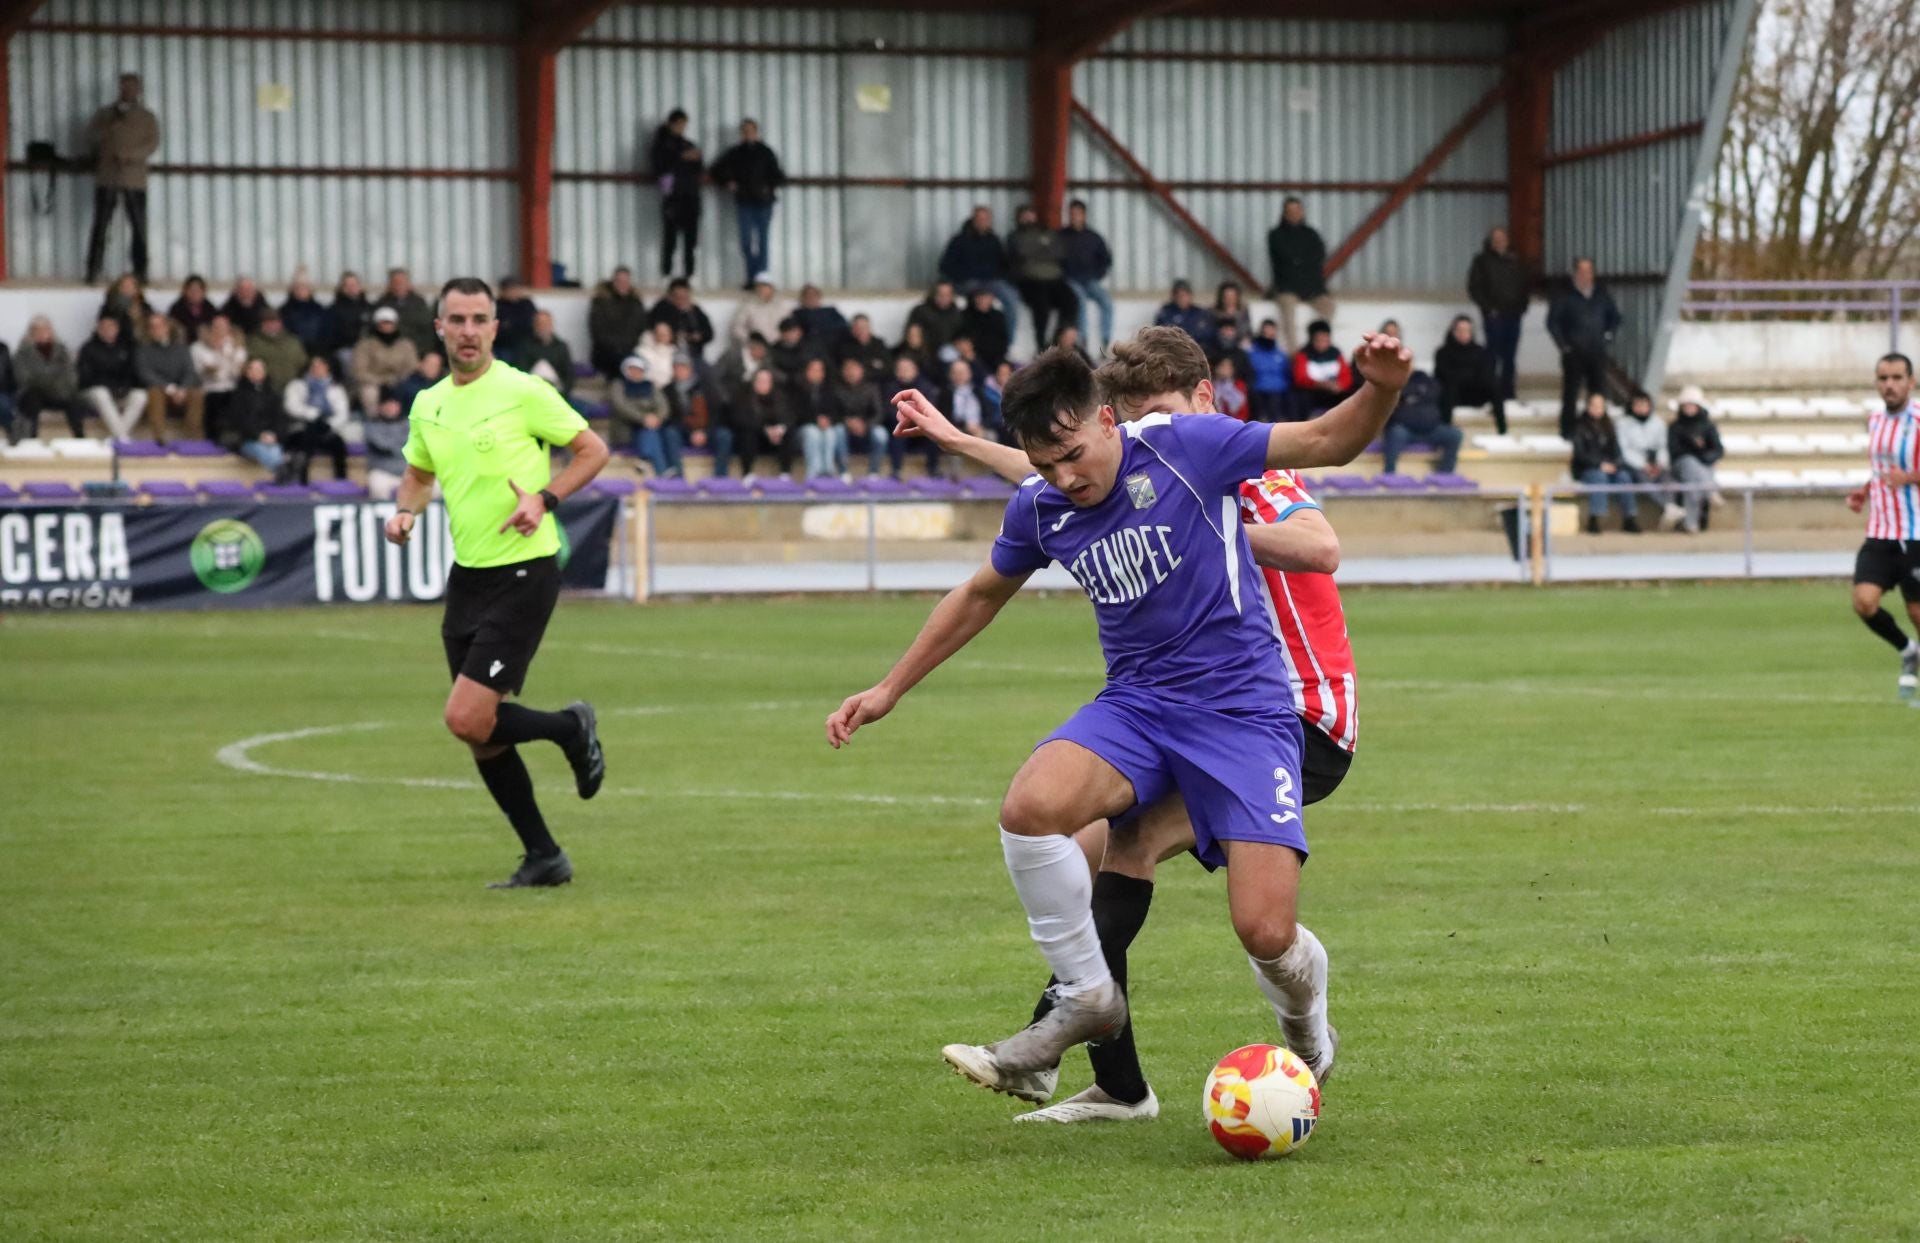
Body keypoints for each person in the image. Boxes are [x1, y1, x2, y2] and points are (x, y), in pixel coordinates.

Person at [829, 334, 1408, 1104]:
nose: (1065, 479)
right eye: (1047, 466)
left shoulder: (1189, 449)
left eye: (1073, 455)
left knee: (1264, 930)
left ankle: (1303, 1025)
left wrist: (1382, 388)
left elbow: (1328, 441)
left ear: (1110, 422)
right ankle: (1086, 999)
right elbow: (978, 594)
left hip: (1245, 709)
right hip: (1138, 705)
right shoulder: (1046, 500)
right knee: (1033, 808)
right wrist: (889, 687)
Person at [382, 276, 611, 889]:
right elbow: (418, 475)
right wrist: (405, 512)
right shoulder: (428, 404)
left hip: (525, 570)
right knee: (482, 734)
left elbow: (593, 450)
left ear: (494, 328)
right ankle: (544, 856)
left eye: (478, 319)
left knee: (465, 716)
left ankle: (571, 727)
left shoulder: (523, 391)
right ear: (439, 328)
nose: (468, 331)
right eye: (456, 320)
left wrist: (544, 498)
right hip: (469, 576)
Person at [1846, 353, 1920, 697]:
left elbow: (1903, 474)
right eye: (1883, 378)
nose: (1889, 385)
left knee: (1917, 613)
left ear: (1911, 382)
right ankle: (1908, 650)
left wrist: (1910, 477)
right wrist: (1864, 491)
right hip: (1881, 532)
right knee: (1864, 603)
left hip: (1916, 533)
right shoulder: (1874, 421)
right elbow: (1881, 470)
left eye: (1897, 378)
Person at [83, 73, 159, 284]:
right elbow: (89, 137)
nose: (128, 91)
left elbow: (152, 143)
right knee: (100, 224)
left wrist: (131, 156)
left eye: (132, 87)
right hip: (108, 176)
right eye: (124, 86)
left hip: (134, 177)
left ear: (139, 90)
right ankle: (93, 269)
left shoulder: (147, 117)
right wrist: (106, 135)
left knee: (138, 226)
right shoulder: (105, 114)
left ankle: (141, 271)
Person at [1548, 257, 1621, 439]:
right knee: (1571, 394)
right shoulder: (1564, 294)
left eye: (1588, 271)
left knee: (1598, 393)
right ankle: (1568, 431)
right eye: (1581, 271)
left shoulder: (1601, 294)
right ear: (1575, 273)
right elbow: (1553, 322)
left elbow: (1615, 317)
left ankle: (1598, 430)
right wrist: (1564, 345)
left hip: (1597, 352)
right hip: (1574, 353)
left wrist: (1608, 336)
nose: (1585, 275)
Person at [708, 119, 785, 283]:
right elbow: (716, 170)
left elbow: (778, 175)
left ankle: (761, 276)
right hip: (744, 201)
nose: (748, 134)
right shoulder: (736, 153)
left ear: (756, 132)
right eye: (745, 131)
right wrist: (728, 182)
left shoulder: (765, 152)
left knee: (762, 240)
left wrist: (767, 187)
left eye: (751, 131)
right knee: (746, 241)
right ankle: (752, 276)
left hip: (763, 201)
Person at [1467, 226, 1528, 422]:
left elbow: (1525, 285)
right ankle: (1491, 393)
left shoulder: (1516, 260)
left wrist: (1522, 307)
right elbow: (1474, 287)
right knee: (1492, 356)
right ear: (1490, 241)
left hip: (1513, 315)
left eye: (1502, 237)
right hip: (1494, 317)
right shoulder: (1481, 261)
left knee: (1510, 357)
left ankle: (1508, 393)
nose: (1499, 241)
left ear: (1507, 240)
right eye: (1496, 238)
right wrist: (1488, 309)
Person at [938, 206, 1021, 342]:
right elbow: (945, 266)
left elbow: (1005, 264)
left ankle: (1008, 342)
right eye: (979, 219)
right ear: (973, 220)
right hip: (967, 282)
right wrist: (964, 276)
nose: (982, 222)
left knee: (1011, 297)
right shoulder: (959, 240)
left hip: (992, 282)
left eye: (985, 219)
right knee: (979, 299)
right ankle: (969, 342)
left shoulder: (994, 240)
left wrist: (1001, 277)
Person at [1007, 205, 1077, 355]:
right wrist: (1043, 248)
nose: (1028, 218)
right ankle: (1040, 344)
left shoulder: (1049, 233)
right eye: (1025, 215)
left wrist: (1035, 251)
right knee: (1041, 305)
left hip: (1054, 279)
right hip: (1030, 280)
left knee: (1071, 299)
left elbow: (1060, 253)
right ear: (1018, 218)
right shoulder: (1015, 236)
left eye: (1030, 214)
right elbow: (1021, 251)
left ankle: (1059, 340)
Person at [1267, 196, 1334, 352]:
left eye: (1297, 210)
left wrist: (1299, 261)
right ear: (1284, 213)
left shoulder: (1311, 234)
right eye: (1290, 211)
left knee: (1329, 307)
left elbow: (1318, 256)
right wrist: (1301, 261)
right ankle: (1294, 353)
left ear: (1302, 212)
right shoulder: (1276, 234)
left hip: (1311, 287)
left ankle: (1317, 345)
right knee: (1288, 314)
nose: (1294, 214)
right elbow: (1284, 259)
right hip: (1287, 287)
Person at [1615, 391, 1685, 529]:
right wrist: (1643, 465)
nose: (1641, 408)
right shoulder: (1623, 424)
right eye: (1638, 405)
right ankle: (1669, 507)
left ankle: (1670, 509)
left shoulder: (1658, 423)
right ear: (1632, 406)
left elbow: (1662, 446)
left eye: (1644, 405)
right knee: (1644, 480)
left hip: (1655, 462)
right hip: (1635, 464)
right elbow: (1625, 450)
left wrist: (1659, 464)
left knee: (1668, 479)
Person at [650, 109, 704, 279]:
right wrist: (681, 158)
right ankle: (666, 272)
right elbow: (659, 166)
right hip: (673, 197)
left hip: (691, 195)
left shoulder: (688, 144)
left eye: (684, 125)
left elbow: (699, 167)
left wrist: (695, 158)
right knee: (670, 237)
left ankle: (689, 273)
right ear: (671, 124)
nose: (681, 128)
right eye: (679, 124)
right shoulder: (661, 145)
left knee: (690, 239)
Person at [13, 318, 85, 442]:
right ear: (31, 333)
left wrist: (45, 378)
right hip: (35, 393)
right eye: (37, 331)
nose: (42, 334)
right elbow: (23, 377)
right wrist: (51, 378)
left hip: (59, 393)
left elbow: (70, 376)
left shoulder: (62, 351)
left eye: (45, 330)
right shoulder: (22, 353)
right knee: (32, 398)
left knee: (74, 401)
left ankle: (80, 439)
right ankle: (31, 440)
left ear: (51, 332)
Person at [77, 313, 148, 439]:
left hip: (121, 391)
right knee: (101, 393)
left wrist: (124, 387)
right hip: (94, 393)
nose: (107, 330)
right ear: (98, 329)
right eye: (103, 327)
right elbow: (86, 377)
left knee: (140, 395)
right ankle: (122, 438)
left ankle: (116, 437)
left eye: (111, 326)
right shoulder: (88, 348)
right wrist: (109, 386)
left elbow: (133, 373)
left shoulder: (127, 348)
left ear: (117, 329)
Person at [281, 354, 351, 482]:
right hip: (303, 427)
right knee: (306, 439)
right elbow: (291, 406)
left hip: (327, 429)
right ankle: (302, 480)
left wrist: (329, 424)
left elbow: (343, 413)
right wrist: (311, 414)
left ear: (328, 368)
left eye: (321, 366)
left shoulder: (336, 388)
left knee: (339, 444)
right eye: (314, 366)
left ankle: (341, 480)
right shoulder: (297, 385)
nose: (317, 368)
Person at [135, 310, 203, 441]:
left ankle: (193, 439)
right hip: (160, 390)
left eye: (159, 326)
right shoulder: (143, 350)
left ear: (167, 328)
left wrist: (182, 389)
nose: (156, 330)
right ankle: (159, 439)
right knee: (154, 392)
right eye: (152, 327)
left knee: (196, 394)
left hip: (181, 391)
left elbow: (190, 372)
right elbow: (145, 373)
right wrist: (169, 388)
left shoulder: (181, 348)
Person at [1571, 391, 1631, 534]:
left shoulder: (1609, 427)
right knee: (1598, 477)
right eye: (1594, 405)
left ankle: (1629, 517)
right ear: (1588, 407)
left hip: (1609, 467)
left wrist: (1615, 464)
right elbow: (1580, 455)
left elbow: (1617, 451)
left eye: (1600, 406)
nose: (1597, 409)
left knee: (1624, 477)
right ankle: (1595, 519)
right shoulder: (1579, 427)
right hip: (1587, 469)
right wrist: (1599, 465)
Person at [1380, 370, 1461, 475]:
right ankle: (1389, 473)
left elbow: (1445, 409)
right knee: (1396, 432)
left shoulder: (1434, 386)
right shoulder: (1397, 386)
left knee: (1455, 434)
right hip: (1406, 431)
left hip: (1432, 431)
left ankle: (1446, 473)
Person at [1668, 384, 1724, 535]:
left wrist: (1702, 456)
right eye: (1686, 405)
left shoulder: (1708, 426)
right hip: (1681, 465)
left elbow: (1717, 450)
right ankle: (1710, 491)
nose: (1689, 408)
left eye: (1692, 405)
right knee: (1690, 464)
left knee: (1693, 482)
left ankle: (1691, 522)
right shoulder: (1675, 427)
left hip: (1703, 466)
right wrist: (1695, 448)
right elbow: (1675, 451)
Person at [1059, 199, 1113, 353]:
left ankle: (1106, 341)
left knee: (1106, 301)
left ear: (1084, 215)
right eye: (1072, 214)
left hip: (1090, 280)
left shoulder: (1093, 237)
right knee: (1080, 301)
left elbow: (1106, 259)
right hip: (1070, 280)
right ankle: (1082, 341)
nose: (1074, 217)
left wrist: (1097, 274)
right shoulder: (1061, 236)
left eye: (1077, 213)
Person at [1433, 315, 1503, 433]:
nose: (1463, 334)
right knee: (1449, 388)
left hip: (1475, 394)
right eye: (1460, 330)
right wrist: (1467, 375)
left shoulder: (1480, 351)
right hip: (1453, 395)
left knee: (1494, 384)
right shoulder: (1443, 352)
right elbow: (1445, 375)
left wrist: (1467, 376)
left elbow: (1484, 373)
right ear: (1453, 331)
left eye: (1467, 330)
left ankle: (1502, 429)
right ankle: (1446, 430)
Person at [611, 355, 677, 477]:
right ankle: (662, 470)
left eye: (639, 370)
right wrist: (643, 418)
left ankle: (644, 459)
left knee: (650, 432)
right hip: (627, 428)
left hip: (651, 426)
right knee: (650, 433)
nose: (636, 372)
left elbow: (663, 406)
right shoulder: (619, 385)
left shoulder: (650, 386)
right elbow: (621, 406)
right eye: (632, 369)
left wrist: (657, 418)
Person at [664, 354, 729, 473]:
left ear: (690, 369)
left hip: (707, 430)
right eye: (677, 368)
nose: (680, 371)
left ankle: (720, 476)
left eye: (683, 367)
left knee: (724, 435)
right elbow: (671, 418)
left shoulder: (705, 387)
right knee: (670, 433)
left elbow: (715, 412)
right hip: (684, 431)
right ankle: (678, 477)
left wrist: (705, 433)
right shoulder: (668, 390)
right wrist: (691, 433)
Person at [352, 307, 420, 418]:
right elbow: (359, 370)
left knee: (413, 389)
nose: (387, 326)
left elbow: (412, 366)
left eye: (390, 323)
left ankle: (407, 417)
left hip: (400, 380)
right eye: (384, 323)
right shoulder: (365, 345)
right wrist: (381, 380)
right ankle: (374, 418)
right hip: (374, 381)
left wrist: (399, 378)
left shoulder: (405, 344)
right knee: (369, 392)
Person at [730, 365, 795, 480]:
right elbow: (741, 420)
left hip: (775, 438)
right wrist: (765, 430)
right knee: (747, 434)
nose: (763, 384)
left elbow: (789, 417)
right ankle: (747, 474)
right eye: (760, 381)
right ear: (754, 382)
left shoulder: (780, 396)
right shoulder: (744, 397)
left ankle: (785, 473)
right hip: (755, 437)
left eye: (766, 381)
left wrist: (780, 429)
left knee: (789, 433)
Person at [885, 353, 942, 479]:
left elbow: (931, 409)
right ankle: (896, 470)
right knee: (897, 432)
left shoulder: (926, 387)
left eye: (906, 369)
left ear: (915, 370)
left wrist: (916, 419)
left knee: (934, 433)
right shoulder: (891, 388)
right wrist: (905, 419)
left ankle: (933, 469)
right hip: (901, 424)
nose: (903, 372)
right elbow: (888, 410)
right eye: (900, 369)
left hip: (921, 426)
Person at [225, 357, 285, 475]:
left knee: (274, 449)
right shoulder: (238, 395)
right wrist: (259, 435)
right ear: (247, 372)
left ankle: (282, 472)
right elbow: (239, 421)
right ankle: (282, 471)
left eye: (260, 369)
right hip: (248, 439)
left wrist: (275, 435)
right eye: (253, 369)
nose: (257, 372)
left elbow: (280, 418)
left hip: (272, 438)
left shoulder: (273, 394)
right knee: (263, 449)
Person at [191, 314, 246, 443]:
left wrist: (228, 355)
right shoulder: (198, 347)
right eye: (217, 327)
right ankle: (211, 439)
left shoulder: (237, 347)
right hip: (208, 388)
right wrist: (216, 353)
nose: (220, 331)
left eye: (224, 327)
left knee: (235, 399)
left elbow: (237, 373)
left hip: (231, 387)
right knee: (215, 400)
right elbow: (199, 372)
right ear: (211, 328)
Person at [832, 356, 889, 476]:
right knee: (837, 431)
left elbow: (879, 413)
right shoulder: (836, 389)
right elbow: (832, 413)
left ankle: (873, 473)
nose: (851, 372)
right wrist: (847, 422)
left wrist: (865, 425)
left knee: (881, 434)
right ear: (842, 372)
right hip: (844, 427)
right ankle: (843, 472)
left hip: (867, 427)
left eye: (854, 369)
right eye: (848, 369)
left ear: (861, 370)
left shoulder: (872, 388)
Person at [587, 267, 648, 378]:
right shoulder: (600, 301)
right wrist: (616, 347)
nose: (622, 284)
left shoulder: (636, 302)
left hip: (630, 350)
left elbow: (640, 327)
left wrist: (627, 346)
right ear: (613, 282)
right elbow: (597, 330)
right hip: (605, 352)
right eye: (619, 281)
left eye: (625, 281)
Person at [792, 356, 845, 479]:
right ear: (806, 371)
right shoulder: (797, 389)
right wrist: (815, 420)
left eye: (820, 370)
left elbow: (838, 412)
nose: (817, 373)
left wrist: (828, 420)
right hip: (802, 431)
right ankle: (813, 473)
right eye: (813, 370)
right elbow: (795, 414)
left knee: (830, 433)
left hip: (825, 428)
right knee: (813, 432)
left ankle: (827, 470)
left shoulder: (829, 390)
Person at [1289, 320, 1351, 422]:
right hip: (1311, 392)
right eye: (1319, 340)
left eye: (1325, 340)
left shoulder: (1336, 353)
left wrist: (1339, 385)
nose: (1322, 344)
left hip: (1333, 392)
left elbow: (1346, 376)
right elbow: (1300, 378)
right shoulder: (1303, 354)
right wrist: (1319, 384)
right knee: (1299, 398)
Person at [647, 277, 716, 361]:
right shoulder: (661, 309)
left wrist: (697, 336)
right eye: (678, 297)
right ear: (670, 296)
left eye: (685, 296)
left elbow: (709, 334)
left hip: (693, 354)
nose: (682, 300)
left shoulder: (695, 310)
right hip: (668, 355)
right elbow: (653, 330)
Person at [363, 387, 411, 501]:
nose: (391, 408)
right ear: (380, 407)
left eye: (394, 404)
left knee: (434, 486)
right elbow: (382, 446)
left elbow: (413, 443)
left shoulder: (408, 424)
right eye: (387, 404)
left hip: (408, 472)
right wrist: (400, 445)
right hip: (383, 472)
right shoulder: (371, 425)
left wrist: (396, 446)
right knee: (378, 485)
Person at [324, 271, 374, 381]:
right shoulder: (333, 310)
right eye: (347, 285)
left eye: (354, 284)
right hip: (345, 349)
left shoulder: (369, 308)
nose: (351, 288)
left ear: (360, 286)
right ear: (342, 288)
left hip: (368, 348)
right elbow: (330, 335)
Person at [378, 268, 437, 358]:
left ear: (408, 283)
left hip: (417, 352)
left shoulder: (419, 303)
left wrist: (425, 352)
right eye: (396, 282)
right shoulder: (382, 303)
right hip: (388, 353)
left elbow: (428, 330)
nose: (399, 285)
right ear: (390, 284)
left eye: (402, 282)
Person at [518, 311, 575, 398]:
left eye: (546, 324)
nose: (543, 327)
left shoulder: (561, 347)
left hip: (557, 392)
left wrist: (562, 394)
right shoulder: (525, 347)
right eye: (539, 324)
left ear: (551, 325)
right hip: (532, 392)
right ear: (534, 326)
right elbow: (521, 372)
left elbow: (569, 375)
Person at [1246, 319, 1291, 424]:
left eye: (1272, 332)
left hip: (1279, 391)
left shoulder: (1280, 354)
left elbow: (1287, 374)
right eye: (1266, 332)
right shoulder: (1251, 352)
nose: (1269, 335)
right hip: (1258, 390)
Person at [960, 285, 1011, 374]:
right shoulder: (965, 316)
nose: (983, 300)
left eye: (986, 297)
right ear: (974, 299)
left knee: (1005, 369)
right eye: (980, 297)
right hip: (974, 358)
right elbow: (962, 339)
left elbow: (1004, 340)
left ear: (992, 298)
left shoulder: (998, 316)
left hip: (995, 358)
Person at [729, 274, 789, 347]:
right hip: (755, 347)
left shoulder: (781, 306)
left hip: (779, 347)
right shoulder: (747, 306)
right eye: (758, 286)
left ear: (772, 288)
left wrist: (784, 338)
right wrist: (751, 340)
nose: (761, 289)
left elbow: (789, 326)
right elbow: (737, 327)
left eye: (764, 286)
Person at [908, 281, 965, 356]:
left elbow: (961, 336)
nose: (944, 298)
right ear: (933, 295)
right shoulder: (920, 311)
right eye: (940, 295)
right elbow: (913, 334)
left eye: (948, 295)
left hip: (949, 352)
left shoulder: (957, 313)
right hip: (923, 352)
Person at [792, 284, 849, 354]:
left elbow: (843, 326)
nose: (811, 298)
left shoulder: (831, 311)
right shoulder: (798, 314)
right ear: (803, 298)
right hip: (809, 350)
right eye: (808, 296)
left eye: (814, 295)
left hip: (833, 347)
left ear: (819, 297)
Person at [280, 275, 329, 357]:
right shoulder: (284, 310)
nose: (301, 290)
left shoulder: (319, 310)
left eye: (304, 287)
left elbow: (326, 332)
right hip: (293, 350)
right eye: (298, 288)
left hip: (317, 349)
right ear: (292, 290)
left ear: (310, 290)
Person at [493, 278, 537, 364]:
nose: (514, 292)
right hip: (504, 345)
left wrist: (511, 324)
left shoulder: (527, 304)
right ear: (503, 291)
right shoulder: (498, 305)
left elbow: (532, 323)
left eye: (516, 288)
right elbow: (499, 329)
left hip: (527, 343)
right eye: (511, 289)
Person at [101, 273, 154, 342]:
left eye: (131, 285)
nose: (128, 288)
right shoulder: (110, 308)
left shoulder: (145, 307)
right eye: (124, 286)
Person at [837, 314, 891, 381]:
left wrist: (863, 369)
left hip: (878, 381)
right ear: (852, 330)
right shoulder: (845, 346)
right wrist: (871, 364)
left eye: (864, 327)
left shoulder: (879, 344)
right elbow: (848, 369)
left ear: (869, 328)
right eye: (858, 328)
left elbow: (887, 367)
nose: (861, 330)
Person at [168, 275, 217, 341]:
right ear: (185, 291)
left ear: (204, 292)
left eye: (198, 290)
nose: (194, 293)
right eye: (191, 290)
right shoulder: (176, 309)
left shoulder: (211, 309)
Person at [636, 320, 679, 391]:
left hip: (668, 388)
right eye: (659, 333)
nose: (662, 337)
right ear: (654, 334)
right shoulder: (642, 351)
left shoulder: (675, 352)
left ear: (671, 335)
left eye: (665, 334)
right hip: (645, 387)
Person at [1212, 282, 1253, 347]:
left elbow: (1247, 331)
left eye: (1232, 296)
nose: (1230, 299)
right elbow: (1210, 331)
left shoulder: (1243, 312)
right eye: (1227, 296)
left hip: (1239, 345)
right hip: (1218, 345)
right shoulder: (1214, 313)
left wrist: (1236, 333)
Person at [1211, 355, 1249, 420]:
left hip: (1235, 420)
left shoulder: (1239, 385)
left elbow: (1243, 410)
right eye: (1223, 366)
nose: (1226, 369)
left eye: (1229, 367)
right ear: (1216, 367)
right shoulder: (1209, 385)